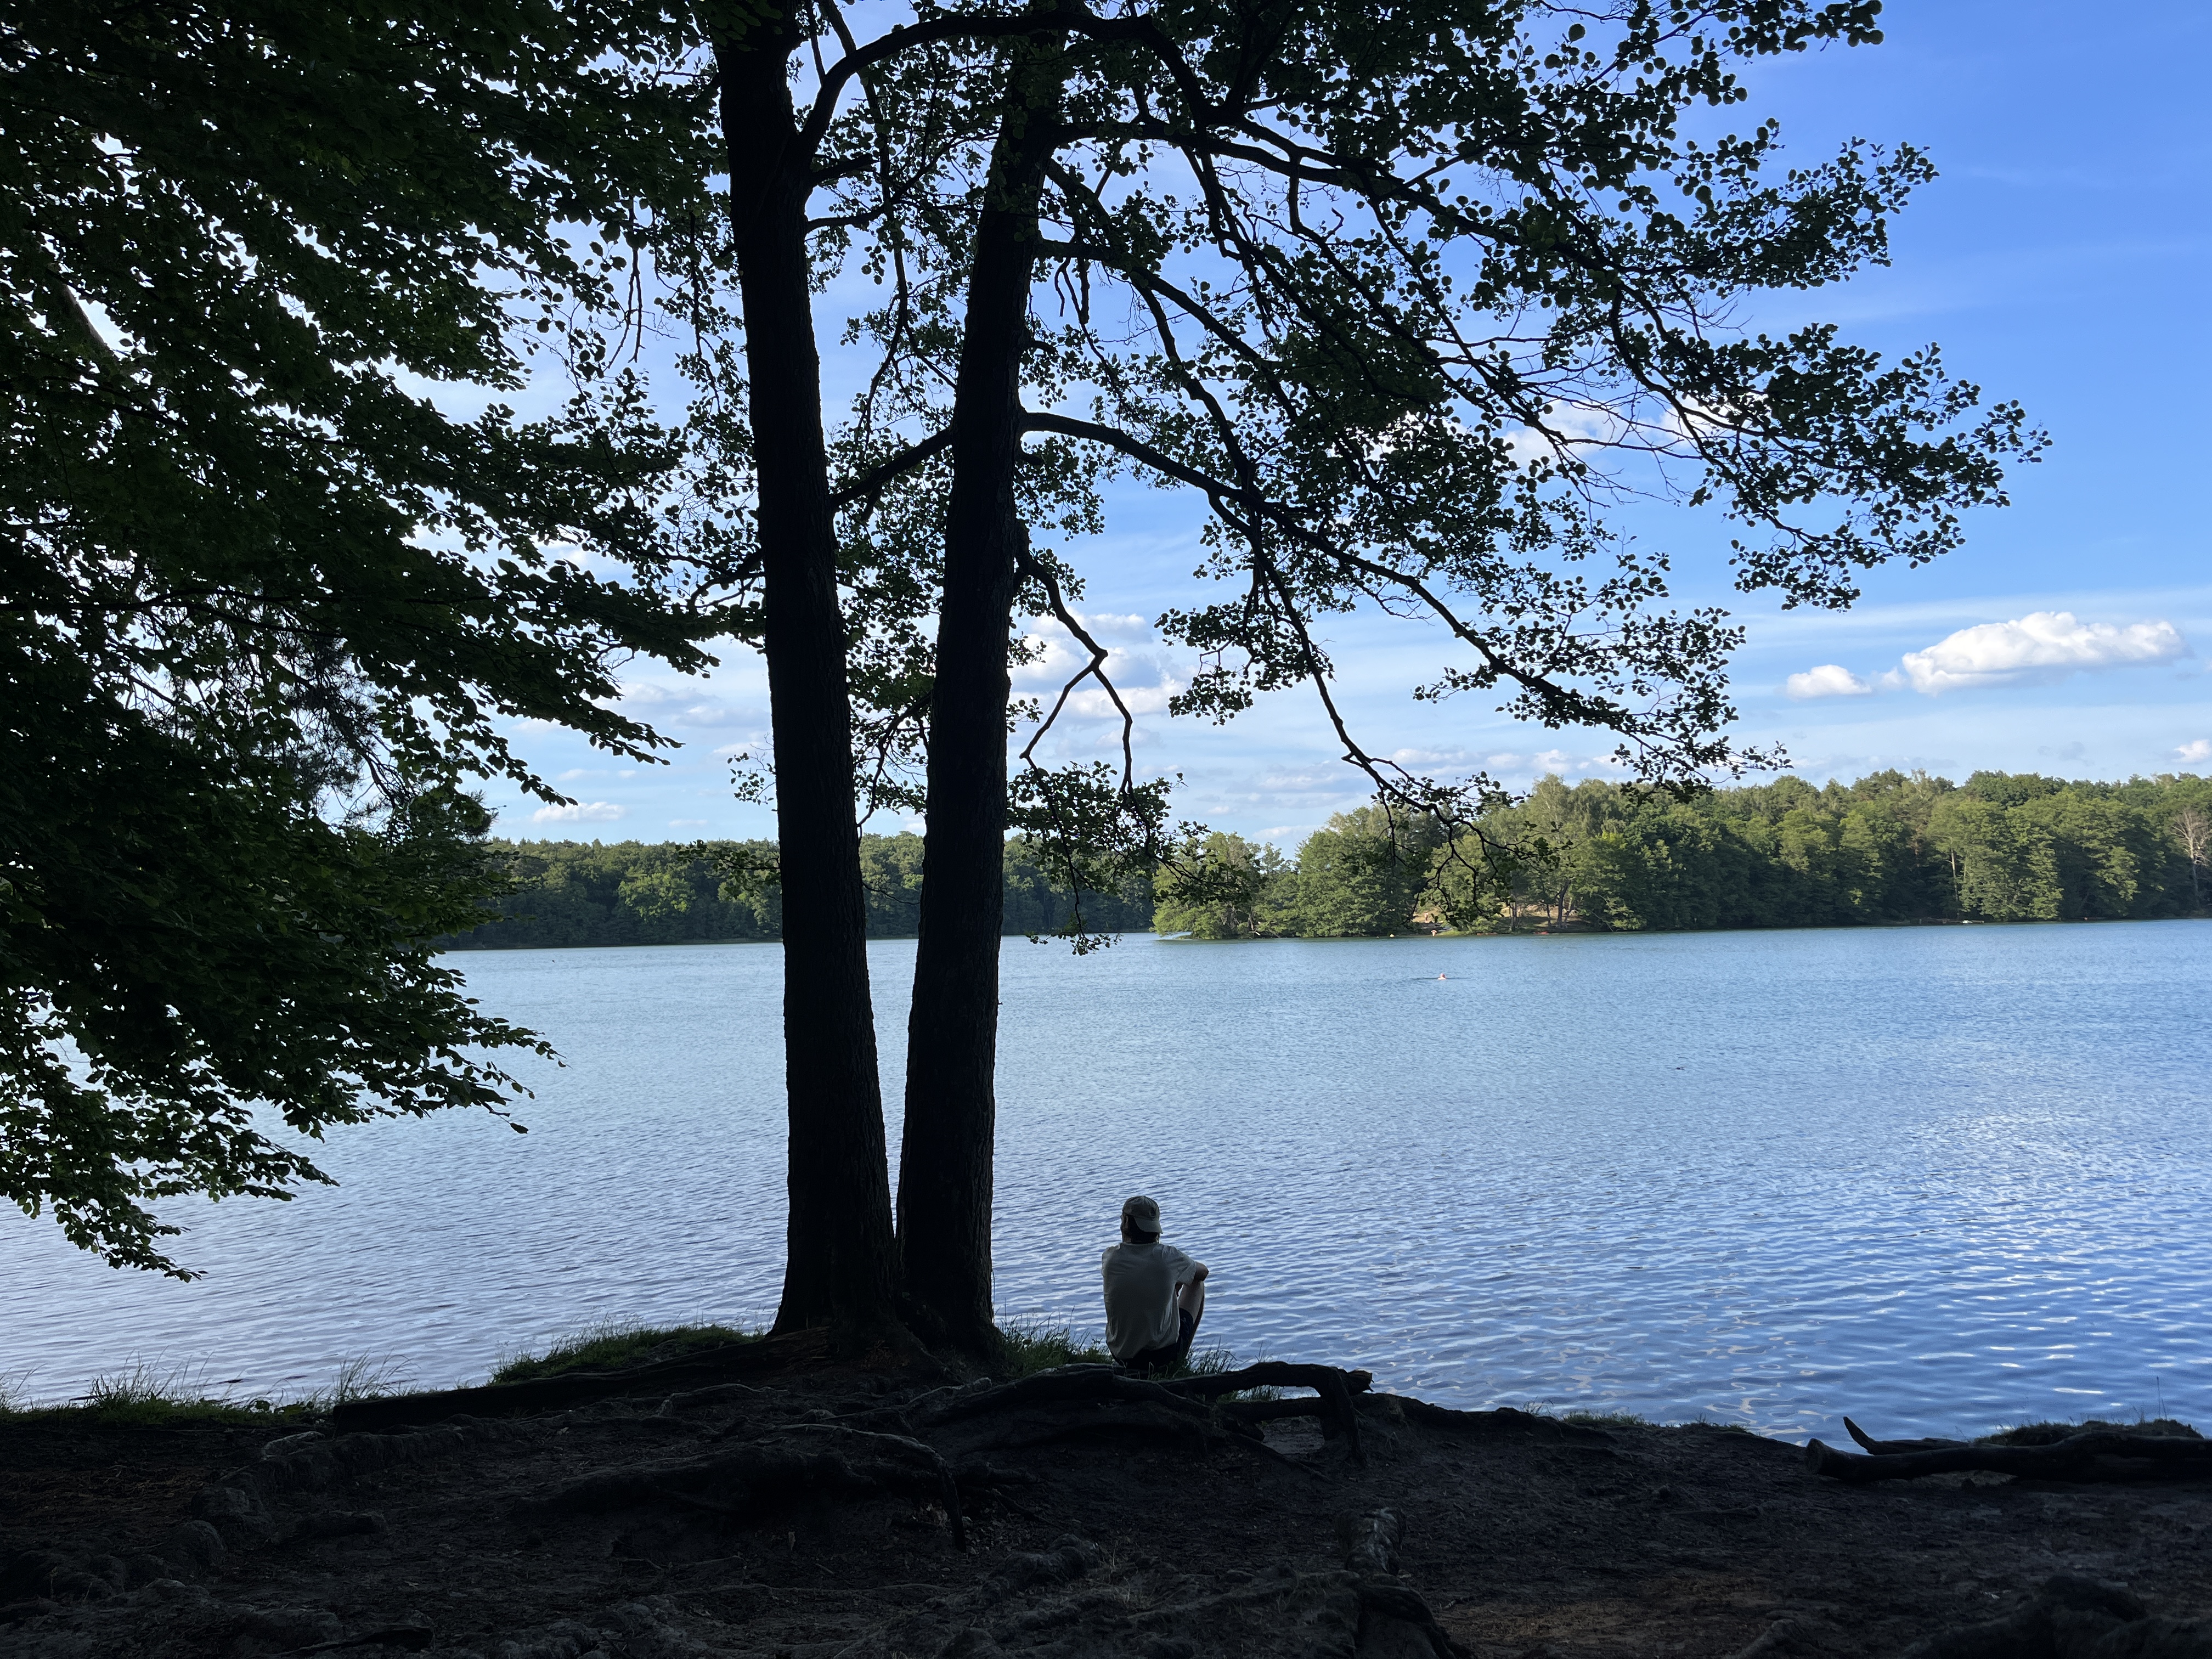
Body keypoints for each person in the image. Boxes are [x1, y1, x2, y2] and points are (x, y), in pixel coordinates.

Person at [1101, 1194, 1209, 1376]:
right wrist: (1177, 1280)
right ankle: (1177, 1363)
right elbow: (1203, 1272)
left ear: (1126, 1223)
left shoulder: (1110, 1258)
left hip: (1122, 1356)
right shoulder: (1169, 1257)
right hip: (1161, 1357)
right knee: (1197, 1284)